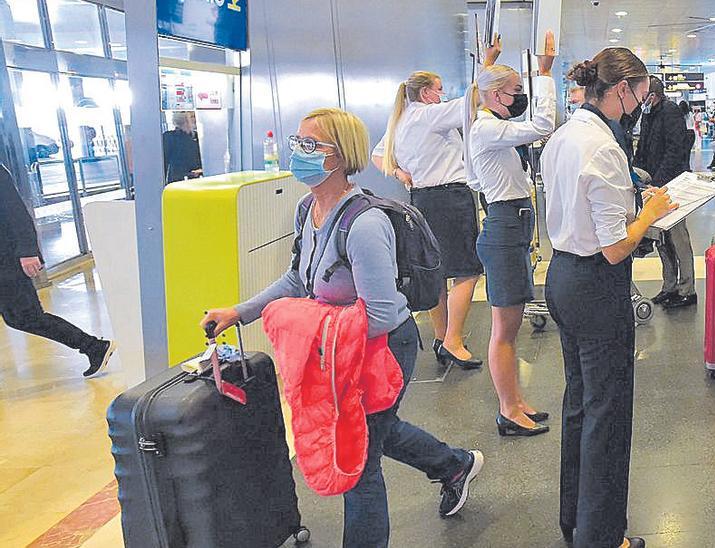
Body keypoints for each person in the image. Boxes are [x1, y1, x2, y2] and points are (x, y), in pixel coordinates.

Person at [201, 108, 482, 548]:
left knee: (360, 460)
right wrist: (241, 312)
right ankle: (453, 465)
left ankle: (449, 470)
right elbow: (301, 279)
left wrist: (324, 329)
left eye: (310, 146)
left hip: (382, 348)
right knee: (377, 432)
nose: (299, 153)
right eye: (298, 143)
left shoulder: (365, 224)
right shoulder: (307, 209)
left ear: (339, 157)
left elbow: (384, 315)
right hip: (344, 349)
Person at [542, 47, 676, 548]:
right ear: (622, 89)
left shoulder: (564, 136)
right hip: (598, 286)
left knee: (580, 404)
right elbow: (617, 247)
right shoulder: (604, 148)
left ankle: (575, 523)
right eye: (640, 90)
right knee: (608, 413)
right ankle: (602, 536)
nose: (642, 100)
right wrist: (652, 211)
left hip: (562, 278)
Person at [465, 32, 558, 436]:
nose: (520, 97)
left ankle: (516, 400)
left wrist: (490, 62)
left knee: (513, 327)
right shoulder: (486, 129)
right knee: (504, 330)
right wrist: (545, 75)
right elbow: (542, 124)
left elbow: (474, 177)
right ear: (495, 95)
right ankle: (507, 409)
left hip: (510, 225)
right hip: (504, 227)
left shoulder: (488, 127)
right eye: (516, 91)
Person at [371, 66, 493, 371]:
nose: (442, 95)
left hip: (422, 200)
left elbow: (377, 155)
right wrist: (488, 64)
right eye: (438, 89)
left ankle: (441, 337)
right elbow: (472, 100)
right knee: (468, 272)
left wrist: (400, 173)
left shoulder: (401, 120)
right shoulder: (429, 114)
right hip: (450, 199)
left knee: (436, 272)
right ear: (426, 93)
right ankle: (453, 340)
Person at [0, 163, 115, 377]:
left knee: (25, 317)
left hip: (5, 261)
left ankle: (93, 347)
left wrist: (28, 251)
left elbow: (15, 212)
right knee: (20, 317)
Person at [634, 75, 697, 309]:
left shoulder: (670, 112)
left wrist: (659, 182)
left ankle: (687, 289)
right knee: (661, 238)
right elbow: (643, 147)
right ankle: (669, 286)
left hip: (671, 184)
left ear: (654, 94)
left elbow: (674, 151)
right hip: (653, 186)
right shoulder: (649, 114)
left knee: (678, 237)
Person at [162, 111, 202, 183]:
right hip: (179, 183)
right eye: (192, 117)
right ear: (183, 120)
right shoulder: (170, 137)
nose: (195, 119)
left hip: (199, 182)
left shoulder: (198, 137)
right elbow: (164, 164)